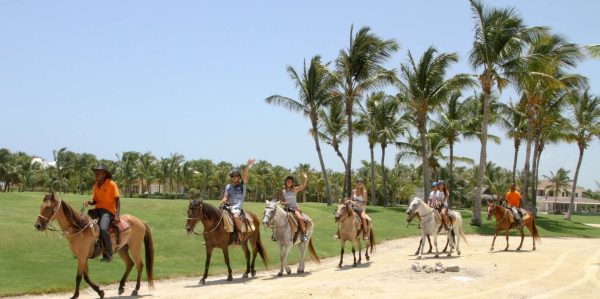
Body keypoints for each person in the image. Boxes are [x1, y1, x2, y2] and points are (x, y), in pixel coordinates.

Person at [83, 163, 120, 262]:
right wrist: (88, 202)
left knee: (103, 229)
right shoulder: (95, 185)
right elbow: (94, 201)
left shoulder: (112, 184)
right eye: (95, 173)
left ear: (104, 174)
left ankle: (108, 255)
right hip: (97, 210)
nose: (96, 175)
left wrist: (117, 215)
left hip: (108, 211)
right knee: (84, 224)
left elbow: (117, 200)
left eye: (98, 173)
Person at [221, 158, 255, 244]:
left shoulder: (242, 185)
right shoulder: (228, 186)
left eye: (236, 176)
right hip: (228, 205)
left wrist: (247, 166)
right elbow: (225, 196)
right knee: (217, 214)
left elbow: (245, 175)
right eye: (233, 176)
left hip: (237, 206)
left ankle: (240, 235)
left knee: (235, 215)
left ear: (239, 177)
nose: (234, 177)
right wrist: (224, 200)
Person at [279, 173, 309, 242]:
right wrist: (283, 203)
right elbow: (282, 201)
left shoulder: (294, 190)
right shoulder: (283, 191)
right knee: (276, 217)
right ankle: (275, 234)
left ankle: (303, 234)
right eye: (287, 181)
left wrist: (305, 178)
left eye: (290, 182)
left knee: (300, 219)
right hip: (286, 208)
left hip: (294, 208)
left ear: (292, 183)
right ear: (285, 183)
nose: (289, 182)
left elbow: (302, 186)